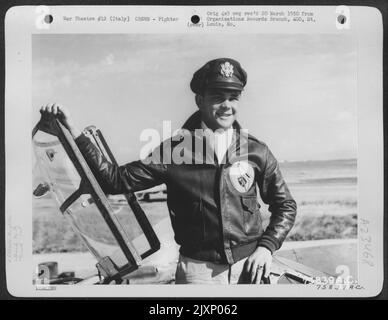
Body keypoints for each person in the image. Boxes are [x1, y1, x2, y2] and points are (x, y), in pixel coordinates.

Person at [40, 58, 297, 284]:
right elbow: (114, 181)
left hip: (250, 270)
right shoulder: (173, 152)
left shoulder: (257, 151)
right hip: (199, 275)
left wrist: (267, 247)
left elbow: (285, 205)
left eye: (233, 97)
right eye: (218, 96)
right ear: (200, 100)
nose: (227, 105)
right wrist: (73, 133)